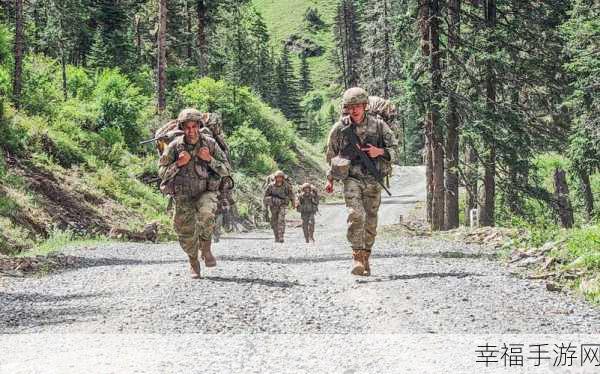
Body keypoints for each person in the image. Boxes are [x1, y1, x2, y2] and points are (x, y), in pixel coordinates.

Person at [325, 87, 398, 276]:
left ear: (365, 106)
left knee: (371, 221)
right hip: (352, 178)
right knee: (356, 215)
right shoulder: (340, 129)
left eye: (357, 106)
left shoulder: (379, 126)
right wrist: (330, 179)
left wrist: (380, 152)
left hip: (374, 178)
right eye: (350, 107)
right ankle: (356, 255)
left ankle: (366, 257)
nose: (354, 110)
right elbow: (331, 155)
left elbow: (395, 149)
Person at [158, 108, 231, 278]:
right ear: (182, 128)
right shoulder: (174, 146)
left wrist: (209, 160)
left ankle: (206, 247)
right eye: (187, 127)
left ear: (199, 126)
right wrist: (178, 163)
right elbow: (161, 171)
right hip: (183, 194)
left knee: (206, 214)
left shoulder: (210, 144)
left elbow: (226, 169)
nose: (191, 131)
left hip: (206, 191)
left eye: (194, 127)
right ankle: (193, 260)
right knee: (185, 231)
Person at [263, 170, 295, 243]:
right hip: (273, 205)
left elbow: (291, 194)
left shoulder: (286, 185)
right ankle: (276, 236)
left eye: (281, 177)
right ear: (275, 178)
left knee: (281, 220)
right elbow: (265, 197)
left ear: (283, 178)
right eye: (278, 177)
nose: (279, 179)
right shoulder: (270, 186)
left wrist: (293, 203)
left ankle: (281, 237)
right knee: (274, 221)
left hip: (282, 205)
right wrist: (265, 208)